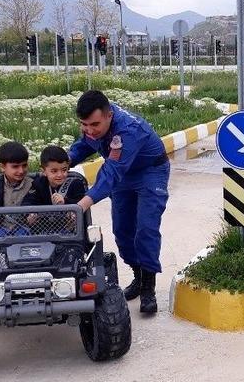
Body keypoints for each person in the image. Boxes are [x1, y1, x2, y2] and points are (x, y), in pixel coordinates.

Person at [69, 90, 170, 314]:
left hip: (150, 172)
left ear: (109, 116)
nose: (89, 130)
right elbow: (85, 144)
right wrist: (63, 162)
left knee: (146, 228)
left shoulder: (129, 131)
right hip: (124, 174)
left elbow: (111, 174)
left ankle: (148, 288)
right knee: (123, 231)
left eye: (94, 124)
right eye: (84, 124)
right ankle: (137, 274)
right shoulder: (94, 125)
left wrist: (82, 204)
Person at [24, 146, 88, 206]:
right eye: (54, 171)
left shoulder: (76, 183)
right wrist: (31, 214)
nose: (60, 175)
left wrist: (65, 201)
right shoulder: (37, 184)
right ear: (43, 171)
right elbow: (29, 201)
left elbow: (82, 203)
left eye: (64, 170)